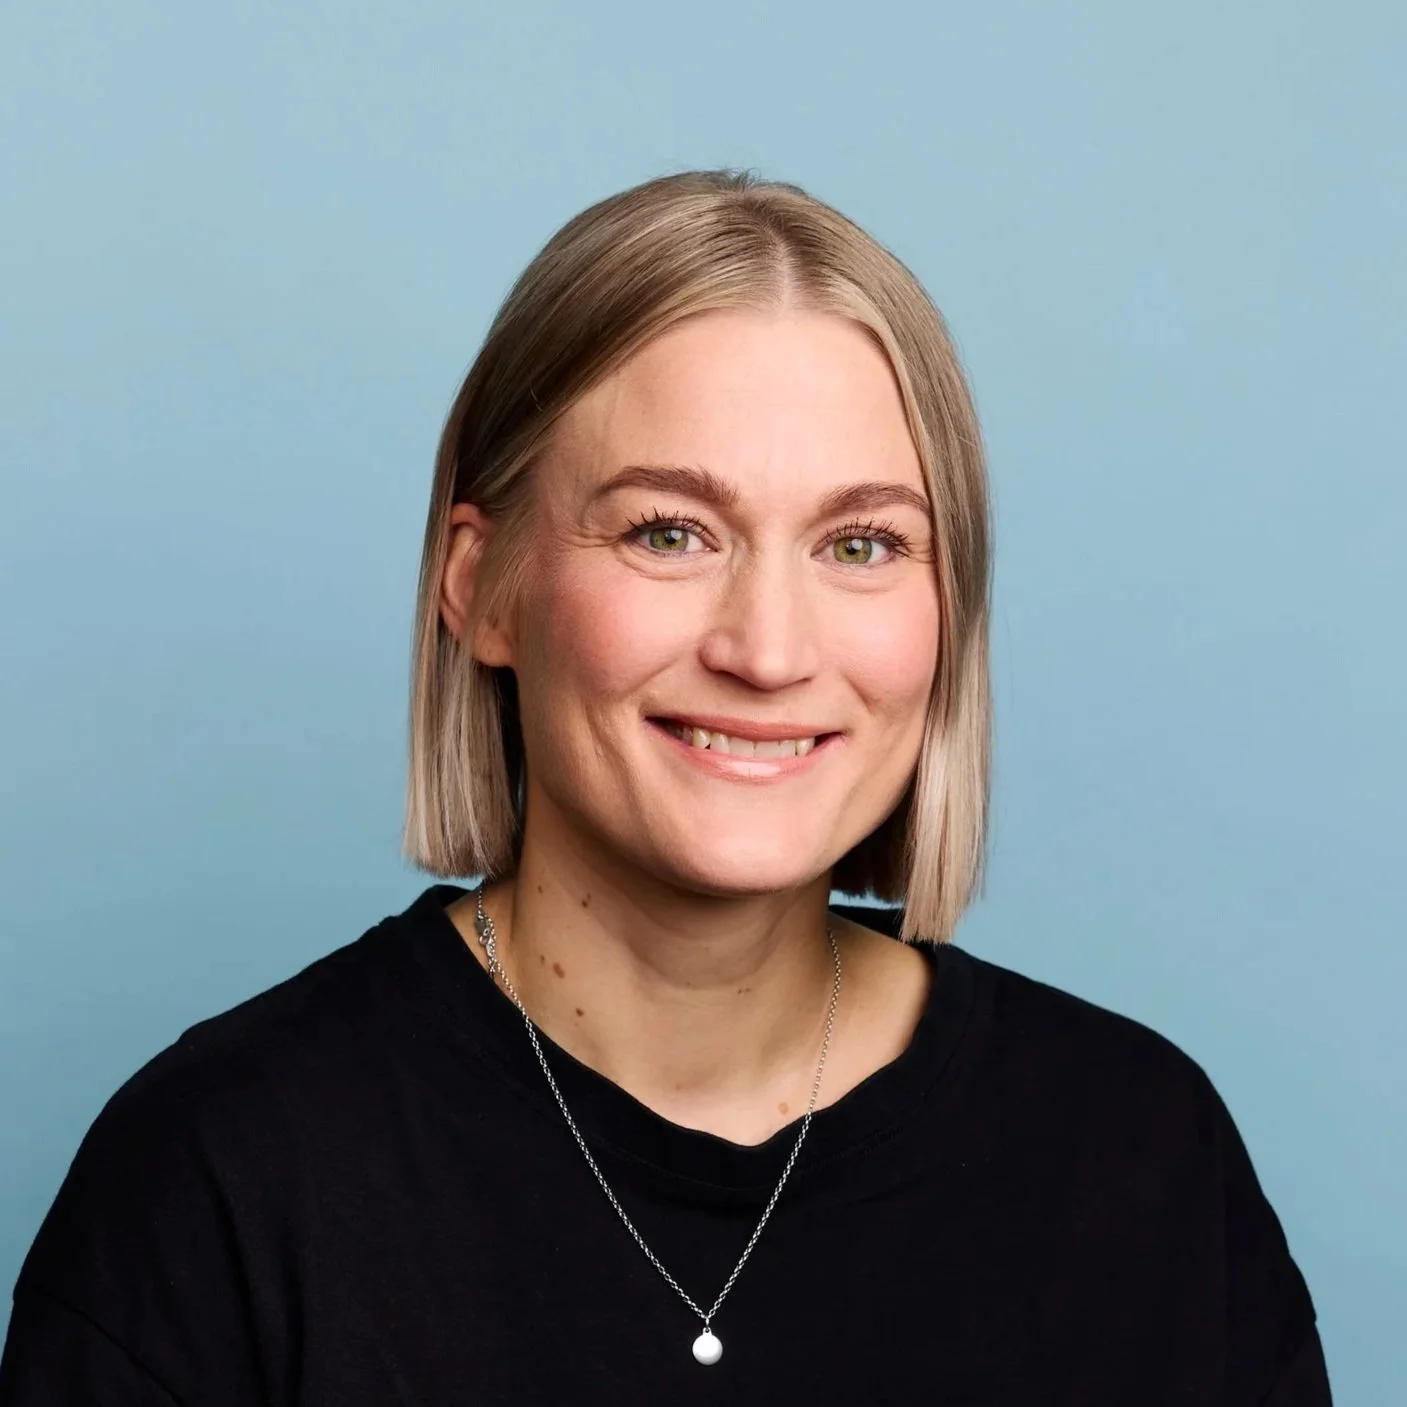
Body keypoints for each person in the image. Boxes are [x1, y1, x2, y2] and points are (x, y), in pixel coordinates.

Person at [0, 170, 1331, 1405]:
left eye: (861, 544)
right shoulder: (219, 1177)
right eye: (669, 532)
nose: (768, 649)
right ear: (483, 586)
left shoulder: (1141, 1159)